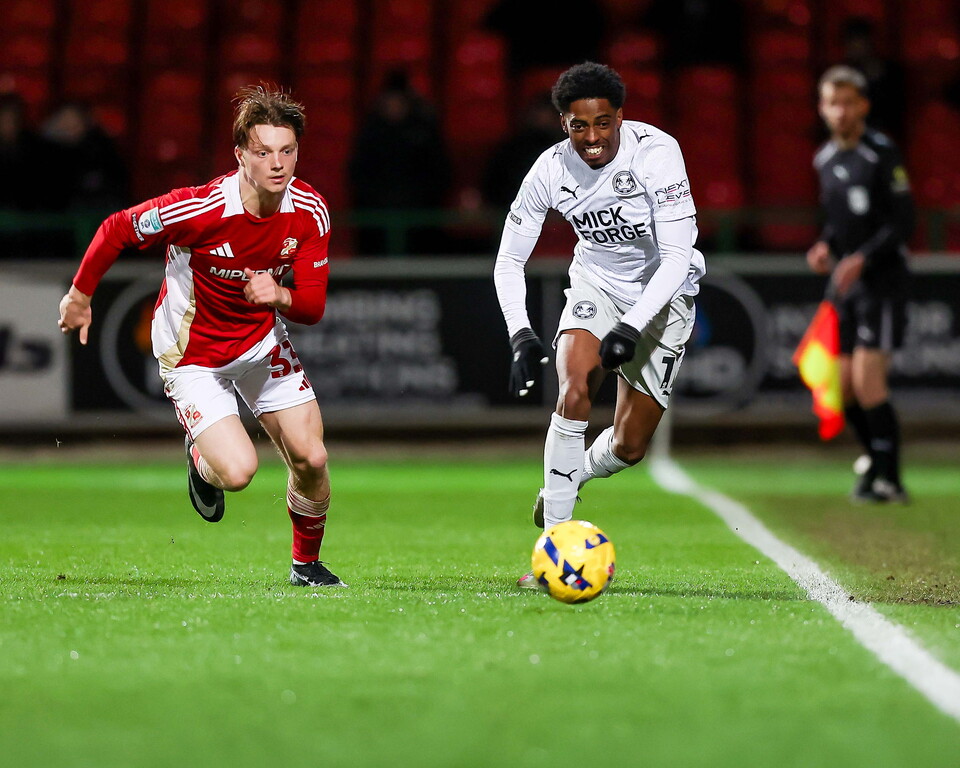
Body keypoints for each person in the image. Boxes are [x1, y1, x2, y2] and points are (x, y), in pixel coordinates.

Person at [57, 85, 345, 587]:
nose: (277, 164)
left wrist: (279, 295)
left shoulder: (309, 211)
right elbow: (117, 228)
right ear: (240, 155)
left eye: (287, 151)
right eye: (263, 152)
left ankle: (306, 566)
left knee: (312, 458)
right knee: (237, 473)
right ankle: (200, 459)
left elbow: (313, 307)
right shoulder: (199, 209)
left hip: (260, 345)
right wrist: (80, 296)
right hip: (193, 357)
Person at [493, 62, 705, 588]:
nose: (592, 138)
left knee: (630, 446)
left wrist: (631, 328)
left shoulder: (657, 153)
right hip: (596, 286)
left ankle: (573, 476)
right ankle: (555, 548)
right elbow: (509, 260)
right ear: (563, 123)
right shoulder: (549, 170)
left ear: (620, 118)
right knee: (573, 390)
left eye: (603, 123)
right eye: (579, 126)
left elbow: (677, 257)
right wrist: (520, 333)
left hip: (665, 297)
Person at [806, 65, 915, 503]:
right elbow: (837, 222)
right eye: (833, 103)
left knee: (869, 382)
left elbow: (903, 221)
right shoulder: (824, 159)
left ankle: (891, 479)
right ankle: (874, 463)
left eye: (848, 102)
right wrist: (824, 246)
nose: (841, 111)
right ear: (822, 108)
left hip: (882, 282)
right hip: (846, 286)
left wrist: (862, 258)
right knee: (844, 387)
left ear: (863, 106)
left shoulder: (881, 153)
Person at [347, 69, 452, 255]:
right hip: (377, 221)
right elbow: (359, 175)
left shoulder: (424, 132)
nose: (394, 106)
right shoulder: (371, 133)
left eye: (399, 101)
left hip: (419, 221)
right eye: (390, 101)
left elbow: (440, 173)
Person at [41, 100, 130, 212]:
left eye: (74, 122)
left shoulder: (101, 152)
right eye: (64, 121)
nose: (68, 127)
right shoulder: (40, 152)